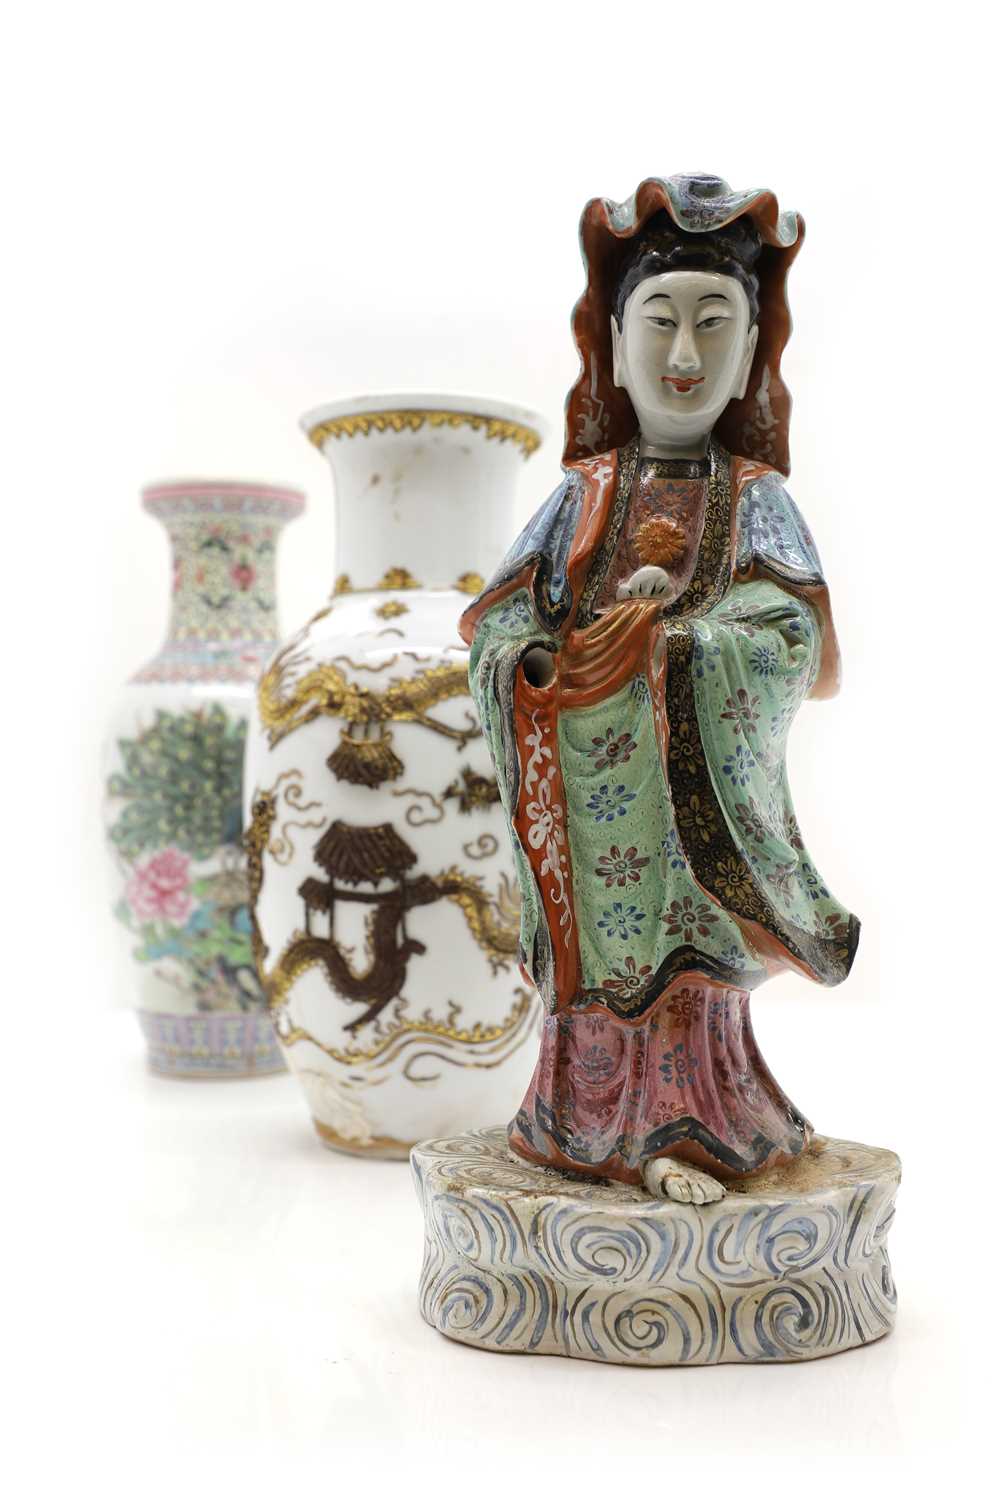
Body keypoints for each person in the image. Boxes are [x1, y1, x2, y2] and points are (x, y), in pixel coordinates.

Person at [459, 175, 858, 1204]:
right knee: (595, 967)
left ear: (751, 353)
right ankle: (574, 1125)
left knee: (687, 963)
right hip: (588, 792)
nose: (684, 354)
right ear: (613, 342)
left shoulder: (755, 502)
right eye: (660, 321)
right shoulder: (581, 496)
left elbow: (789, 637)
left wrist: (679, 648)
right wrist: (537, 664)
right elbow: (498, 626)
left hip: (687, 798)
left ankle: (696, 1126)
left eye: (713, 324)